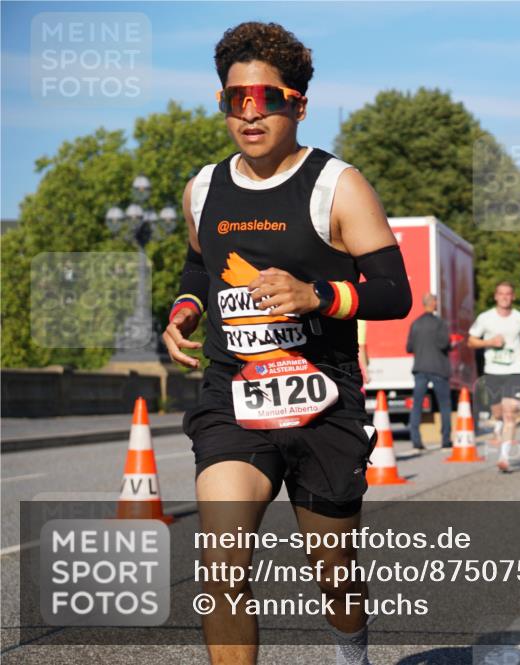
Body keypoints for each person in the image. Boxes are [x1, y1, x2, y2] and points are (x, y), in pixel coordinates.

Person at [161, 22, 411, 665]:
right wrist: (186, 309)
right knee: (221, 563)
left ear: (298, 105)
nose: (250, 113)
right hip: (235, 397)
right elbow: (199, 266)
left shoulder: (337, 185)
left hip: (322, 402)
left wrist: (317, 295)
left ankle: (351, 651)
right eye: (234, 99)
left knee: (335, 575)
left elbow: (394, 292)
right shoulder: (203, 188)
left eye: (266, 98)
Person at [467, 282, 520, 473]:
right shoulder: (485, 318)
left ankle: (504, 457)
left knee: (510, 411)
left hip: (515, 369)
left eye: (508, 294)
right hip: (493, 370)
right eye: (501, 294)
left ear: (513, 296)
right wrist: (489, 342)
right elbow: (471, 341)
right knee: (497, 412)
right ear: (495, 296)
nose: (504, 297)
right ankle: (499, 423)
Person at [406, 293, 454, 450]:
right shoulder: (439, 323)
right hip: (438, 368)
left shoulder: (415, 324)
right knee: (444, 405)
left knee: (417, 405)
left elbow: (409, 347)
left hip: (420, 368)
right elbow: (444, 344)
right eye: (436, 301)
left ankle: (416, 440)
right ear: (433, 303)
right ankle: (445, 439)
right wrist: (452, 345)